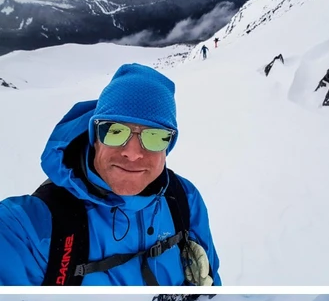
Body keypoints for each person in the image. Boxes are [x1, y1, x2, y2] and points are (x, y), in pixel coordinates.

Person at [0, 63, 220, 285]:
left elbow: (214, 294)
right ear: (95, 137)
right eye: (115, 131)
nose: (132, 153)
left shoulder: (184, 199)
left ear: (167, 147)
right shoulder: (27, 227)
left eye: (154, 136)